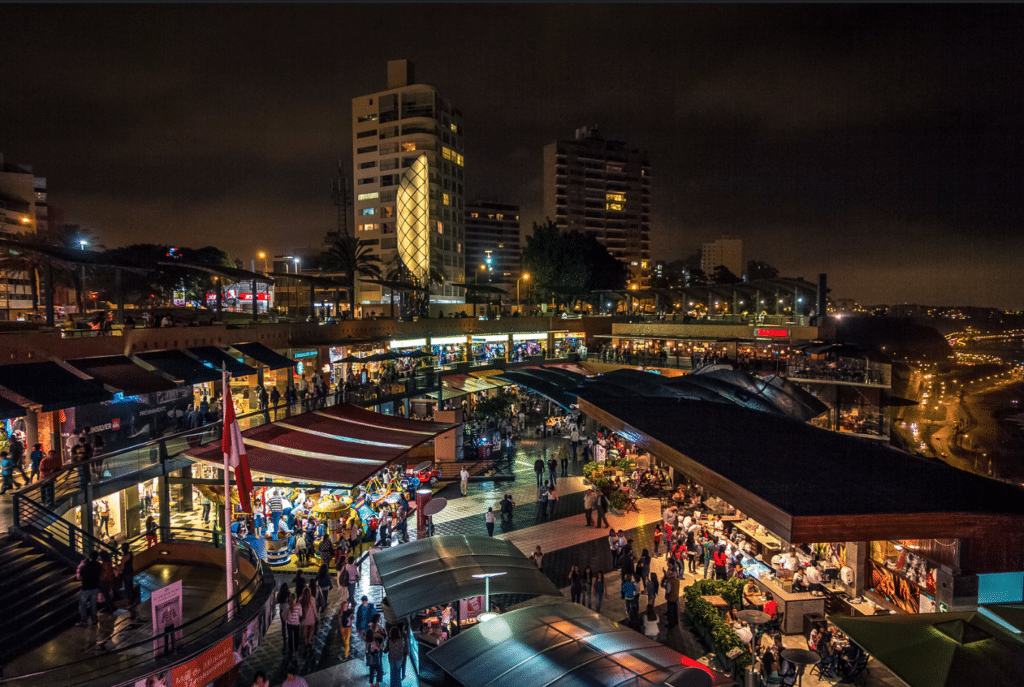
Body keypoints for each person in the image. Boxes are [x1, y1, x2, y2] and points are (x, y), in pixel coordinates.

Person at [77, 550, 102, 626]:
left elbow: (79, 577)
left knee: (82, 604)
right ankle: (94, 618)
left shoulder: (85, 566)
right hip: (95, 587)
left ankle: (84, 621)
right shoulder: (98, 565)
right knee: (93, 603)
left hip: (86, 588)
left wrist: (80, 566)